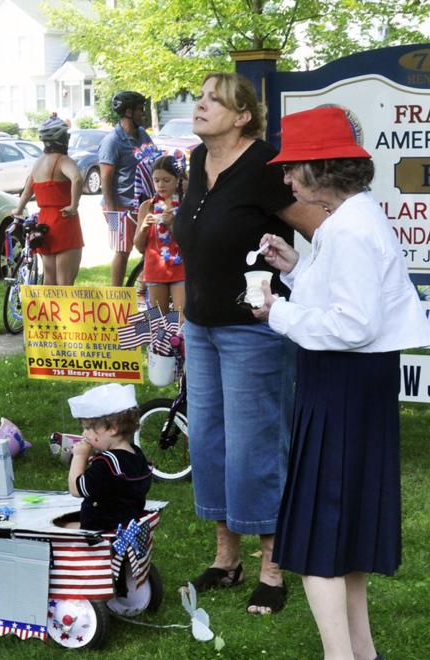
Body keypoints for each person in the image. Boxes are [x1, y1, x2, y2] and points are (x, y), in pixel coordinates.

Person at [251, 106, 430, 660]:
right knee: (344, 518)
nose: (286, 179)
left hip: (342, 384)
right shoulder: (351, 218)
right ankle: (360, 652)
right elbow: (347, 298)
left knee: (320, 524)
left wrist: (277, 313)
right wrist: (297, 267)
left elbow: (353, 326)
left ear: (320, 169)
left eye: (292, 168)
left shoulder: (350, 229)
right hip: (355, 383)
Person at [171, 72, 324, 615]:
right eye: (199, 96)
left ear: (242, 117)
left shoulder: (263, 165)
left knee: (254, 446)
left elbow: (321, 227)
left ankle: (273, 568)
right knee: (209, 443)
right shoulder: (196, 161)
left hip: (253, 331)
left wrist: (305, 280)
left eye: (213, 100)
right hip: (201, 327)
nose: (200, 105)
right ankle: (226, 559)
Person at [65, 383, 152, 532]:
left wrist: (79, 456)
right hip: (124, 528)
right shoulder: (136, 454)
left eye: (88, 428)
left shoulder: (106, 463)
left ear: (112, 429)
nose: (84, 434)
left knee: (61, 527)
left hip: (100, 533)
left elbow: (76, 489)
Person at [12, 116, 84, 287]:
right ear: (61, 138)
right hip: (64, 219)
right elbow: (77, 178)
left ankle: (47, 307)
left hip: (44, 223)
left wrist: (18, 210)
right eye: (66, 135)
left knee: (49, 280)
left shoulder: (38, 163)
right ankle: (63, 307)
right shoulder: (62, 160)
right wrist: (74, 205)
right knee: (65, 283)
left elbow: (27, 191)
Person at [99, 91, 153, 287]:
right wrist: (112, 212)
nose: (143, 113)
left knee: (150, 248)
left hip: (142, 203)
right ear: (129, 112)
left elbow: (154, 160)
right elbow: (105, 178)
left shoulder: (143, 134)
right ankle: (116, 297)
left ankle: (143, 292)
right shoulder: (113, 141)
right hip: (120, 206)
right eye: (140, 109)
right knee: (123, 251)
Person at [133, 153, 187, 313]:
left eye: (166, 180)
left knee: (181, 316)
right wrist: (143, 228)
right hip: (155, 268)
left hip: (181, 268)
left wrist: (171, 225)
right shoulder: (147, 206)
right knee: (158, 319)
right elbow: (139, 247)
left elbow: (189, 242)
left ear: (177, 180)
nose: (161, 185)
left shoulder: (185, 205)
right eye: (156, 180)